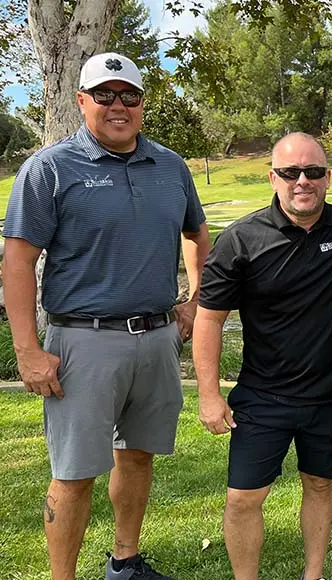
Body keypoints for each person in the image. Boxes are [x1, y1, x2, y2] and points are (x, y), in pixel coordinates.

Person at [2, 52, 210, 580]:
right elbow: (19, 259)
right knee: (74, 474)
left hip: (157, 337)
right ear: (81, 101)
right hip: (82, 341)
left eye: (129, 96)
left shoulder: (170, 166)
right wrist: (27, 349)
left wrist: (194, 301)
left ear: (142, 104)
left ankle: (125, 561)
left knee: (137, 456)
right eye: (105, 95)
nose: (118, 106)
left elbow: (197, 236)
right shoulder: (49, 168)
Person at [192, 133, 332, 580]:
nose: (302, 181)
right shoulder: (240, 240)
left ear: (328, 177)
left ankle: (314, 574)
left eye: (313, 172)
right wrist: (208, 394)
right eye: (290, 173)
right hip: (264, 396)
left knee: (319, 483)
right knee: (243, 498)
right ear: (273, 177)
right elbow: (208, 320)